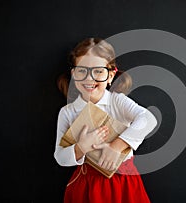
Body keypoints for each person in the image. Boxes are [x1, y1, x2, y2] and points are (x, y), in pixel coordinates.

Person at [54, 37, 157, 203]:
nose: (89, 78)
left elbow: (148, 119)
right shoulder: (68, 112)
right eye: (82, 71)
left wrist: (116, 146)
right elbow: (60, 157)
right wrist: (82, 147)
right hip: (87, 185)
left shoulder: (117, 101)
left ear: (110, 76)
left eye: (98, 71)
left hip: (124, 183)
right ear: (73, 74)